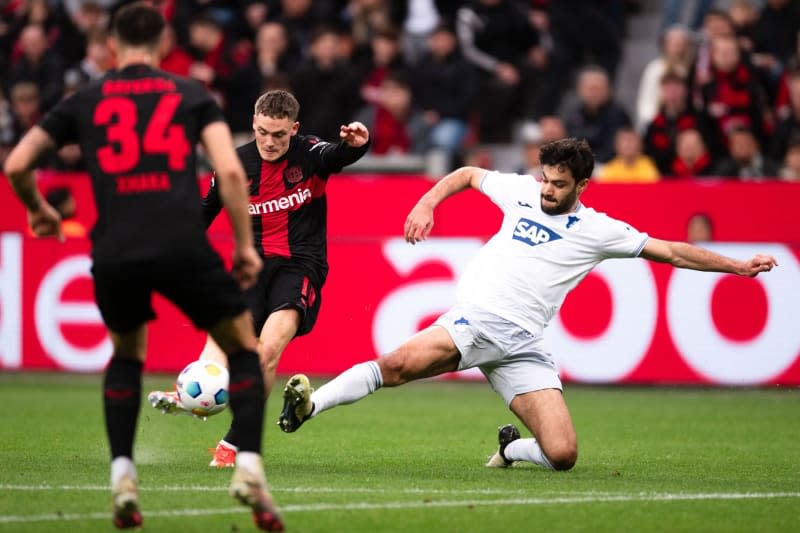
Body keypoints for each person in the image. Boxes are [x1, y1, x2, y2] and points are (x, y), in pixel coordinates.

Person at [276, 137, 778, 473]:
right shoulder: (521, 191)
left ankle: (509, 449)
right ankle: (307, 406)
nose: (547, 190)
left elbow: (670, 251)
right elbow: (469, 174)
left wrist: (736, 266)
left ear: (581, 186)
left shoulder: (599, 230)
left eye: (559, 185)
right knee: (398, 364)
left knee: (562, 455)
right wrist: (427, 202)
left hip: (523, 345)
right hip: (478, 318)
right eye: (545, 179)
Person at [2, 4, 283, 531]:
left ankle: (123, 477)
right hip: (180, 242)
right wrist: (245, 247)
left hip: (115, 248)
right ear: (164, 42)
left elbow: (17, 164)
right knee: (245, 349)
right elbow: (228, 169)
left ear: (111, 45)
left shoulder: (83, 99)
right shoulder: (191, 94)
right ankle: (248, 469)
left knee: (128, 356)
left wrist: (39, 210)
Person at [148, 89, 371, 468]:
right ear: (253, 123)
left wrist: (357, 145)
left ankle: (235, 442)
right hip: (251, 266)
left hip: (301, 266)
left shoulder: (310, 154)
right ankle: (193, 391)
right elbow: (206, 211)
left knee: (265, 352)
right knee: (225, 339)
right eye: (264, 132)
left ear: (294, 129)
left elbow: (338, 155)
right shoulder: (235, 165)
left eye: (280, 135)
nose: (270, 142)